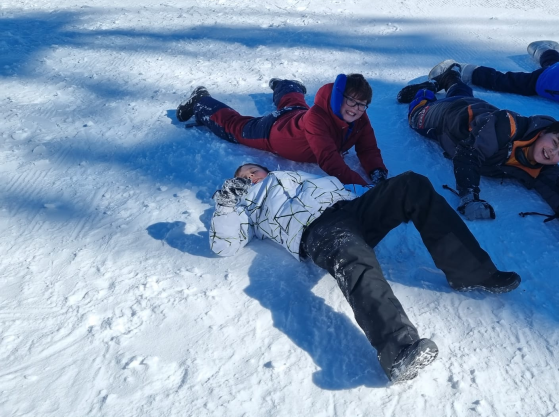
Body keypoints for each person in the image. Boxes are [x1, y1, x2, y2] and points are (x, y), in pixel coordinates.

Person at [209, 164, 521, 384]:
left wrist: (380, 193)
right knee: (353, 258)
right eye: (242, 176)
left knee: (410, 184)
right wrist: (226, 205)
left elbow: (342, 188)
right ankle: (398, 350)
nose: (250, 174)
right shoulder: (248, 208)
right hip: (320, 231)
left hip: (354, 209)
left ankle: (471, 272)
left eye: (253, 169)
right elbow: (224, 246)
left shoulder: (294, 176)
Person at [397, 64, 559, 246]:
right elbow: (469, 155)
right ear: (542, 132)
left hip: (477, 106)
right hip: (447, 117)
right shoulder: (506, 127)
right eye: (555, 143)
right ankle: (427, 89)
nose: (552, 152)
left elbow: (558, 186)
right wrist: (469, 198)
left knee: (462, 94)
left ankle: (452, 77)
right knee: (416, 116)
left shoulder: (543, 163)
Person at [176, 73, 388, 186]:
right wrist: (363, 187)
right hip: (274, 132)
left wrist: (376, 171)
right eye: (351, 101)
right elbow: (330, 161)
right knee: (235, 127)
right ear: (338, 97)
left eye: (362, 104)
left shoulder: (359, 118)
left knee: (294, 104)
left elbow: (367, 147)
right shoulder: (317, 119)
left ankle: (286, 85)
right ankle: (201, 101)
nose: (356, 109)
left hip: (297, 114)